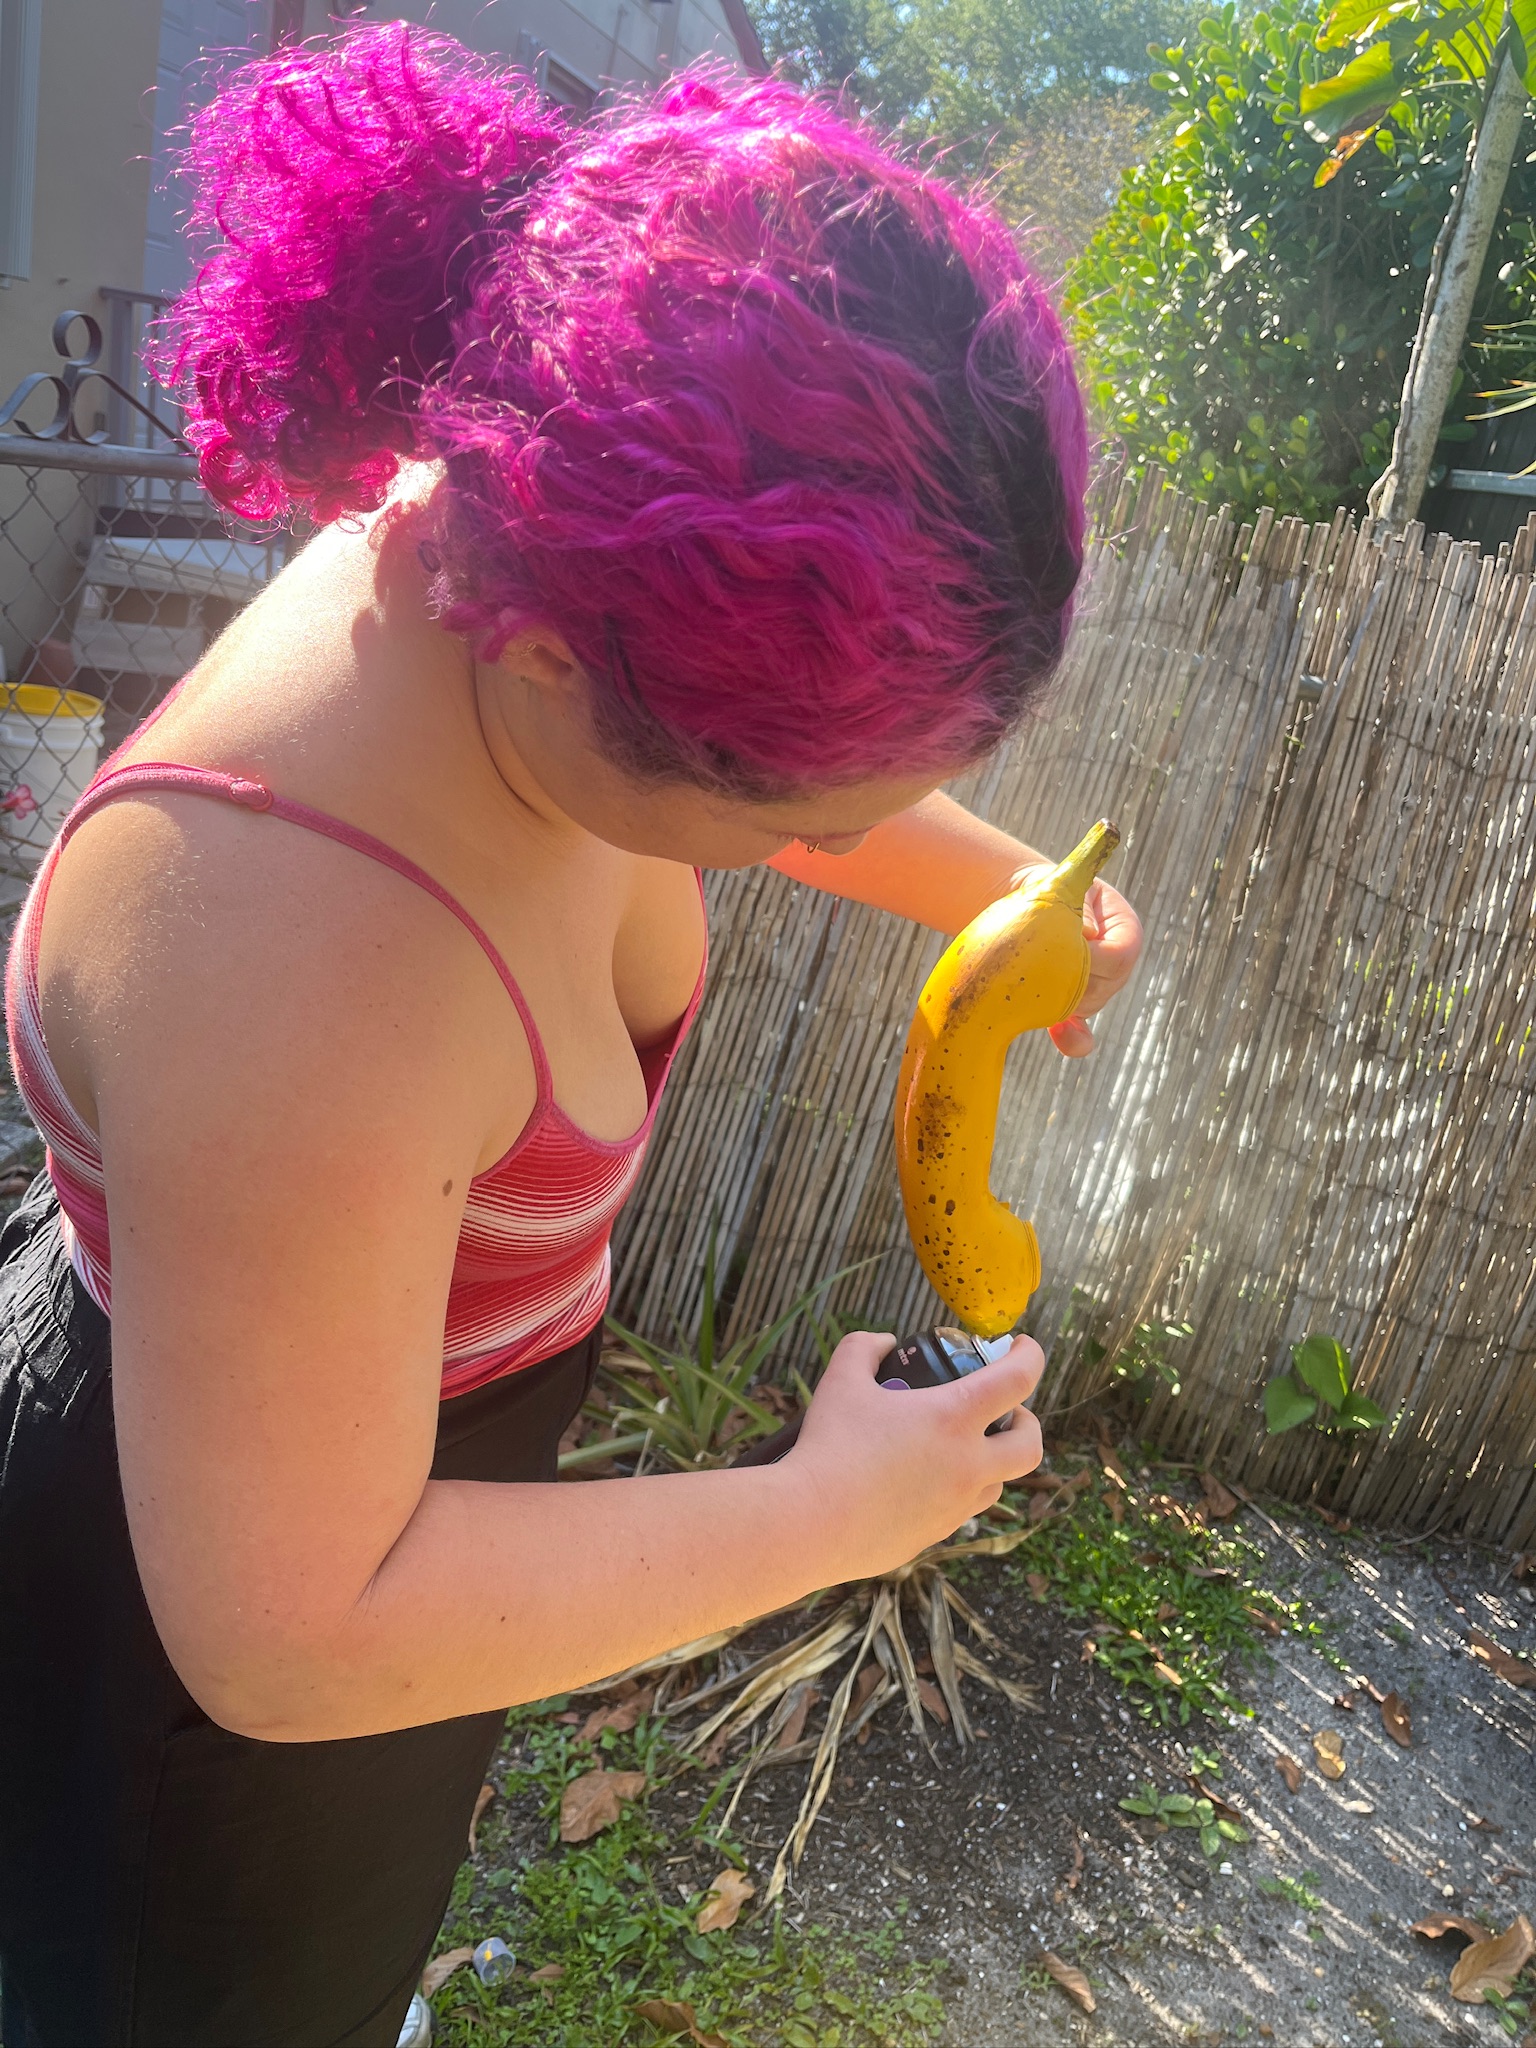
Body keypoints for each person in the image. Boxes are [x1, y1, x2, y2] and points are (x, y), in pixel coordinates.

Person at [0, 24, 1141, 2048]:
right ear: (550, 666)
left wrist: (1006, 887)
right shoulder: (296, 968)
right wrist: (827, 1511)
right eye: (814, 808)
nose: (842, 842)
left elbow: (768, 758)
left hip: (350, 1502)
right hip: (206, 1663)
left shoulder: (539, 545)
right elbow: (288, 1636)